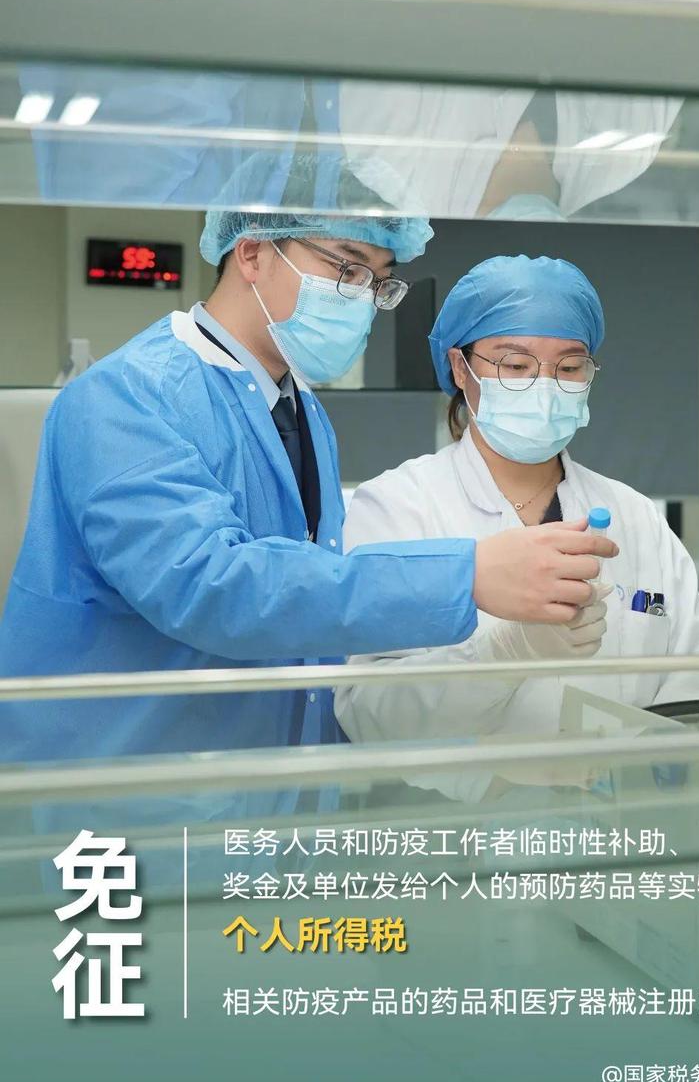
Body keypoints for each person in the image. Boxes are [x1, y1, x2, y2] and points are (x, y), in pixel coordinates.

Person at [0, 213, 618, 767]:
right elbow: (211, 586)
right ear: (252, 252)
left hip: (258, 794)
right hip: (124, 793)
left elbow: (306, 609)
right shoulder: (128, 395)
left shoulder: (299, 410)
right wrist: (467, 575)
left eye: (378, 281)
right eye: (346, 269)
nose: (362, 300)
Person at [335, 255, 699, 797]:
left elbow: (695, 685)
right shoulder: (399, 508)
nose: (545, 386)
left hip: (624, 828)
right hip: (464, 833)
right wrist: (503, 653)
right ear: (460, 369)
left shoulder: (635, 515)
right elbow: (371, 717)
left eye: (570, 367)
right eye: (515, 365)